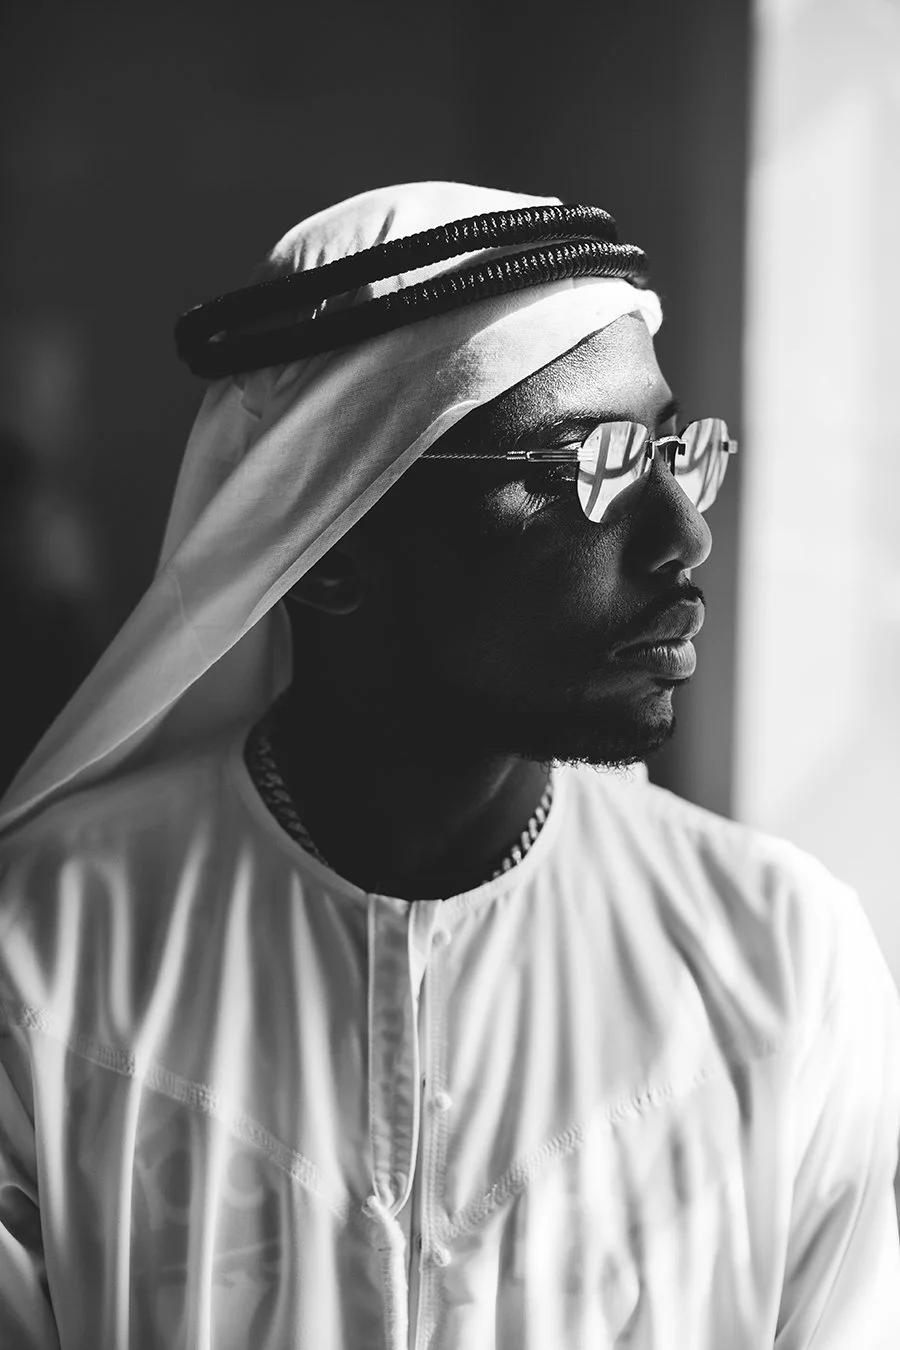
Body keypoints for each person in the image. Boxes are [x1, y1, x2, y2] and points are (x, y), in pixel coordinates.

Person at [0, 182, 897, 1350]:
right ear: (326, 548)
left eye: (677, 453)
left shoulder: (782, 963)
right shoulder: (42, 956)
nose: (686, 535)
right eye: (595, 462)